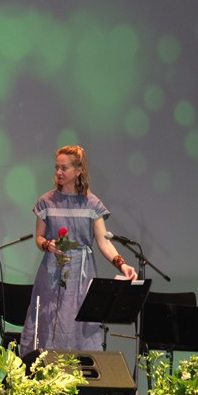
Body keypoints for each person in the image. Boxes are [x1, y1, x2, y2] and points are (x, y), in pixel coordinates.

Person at [19, 145, 138, 356]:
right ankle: (44, 370)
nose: (58, 172)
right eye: (56, 167)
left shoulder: (92, 204)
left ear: (78, 170)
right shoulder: (46, 201)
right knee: (48, 323)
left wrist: (122, 265)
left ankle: (81, 373)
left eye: (64, 168)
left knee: (79, 325)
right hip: (52, 273)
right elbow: (39, 238)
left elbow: (104, 242)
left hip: (81, 276)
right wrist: (47, 244)